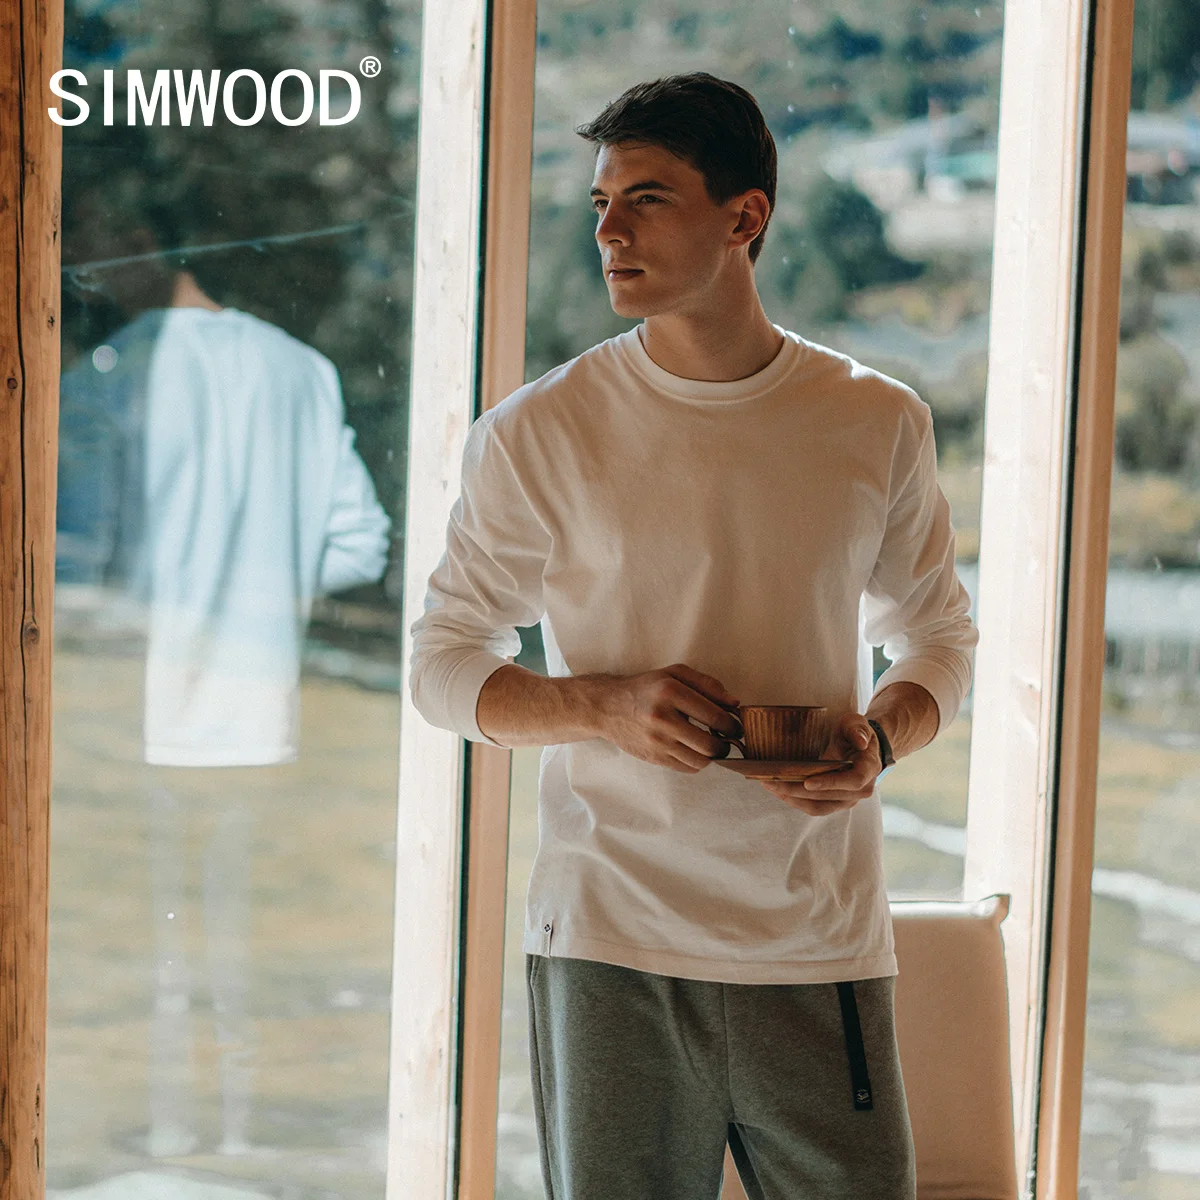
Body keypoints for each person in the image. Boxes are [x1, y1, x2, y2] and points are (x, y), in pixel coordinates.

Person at [410, 73, 978, 1199]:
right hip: (609, 944)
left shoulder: (877, 421)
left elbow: (939, 640)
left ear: (743, 217)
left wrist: (880, 739)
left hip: (818, 944)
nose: (609, 231)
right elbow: (441, 666)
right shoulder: (534, 434)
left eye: (648, 198)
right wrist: (600, 706)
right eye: (602, 202)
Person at [57, 177, 391, 1157]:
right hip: (262, 715)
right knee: (237, 941)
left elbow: (78, 560)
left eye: (87, 240)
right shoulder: (303, 371)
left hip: (137, 715)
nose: (76, 266)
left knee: (149, 943)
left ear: (141, 235)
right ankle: (240, 1131)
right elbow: (360, 546)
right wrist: (266, 587)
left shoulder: (108, 380)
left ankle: (171, 1131)